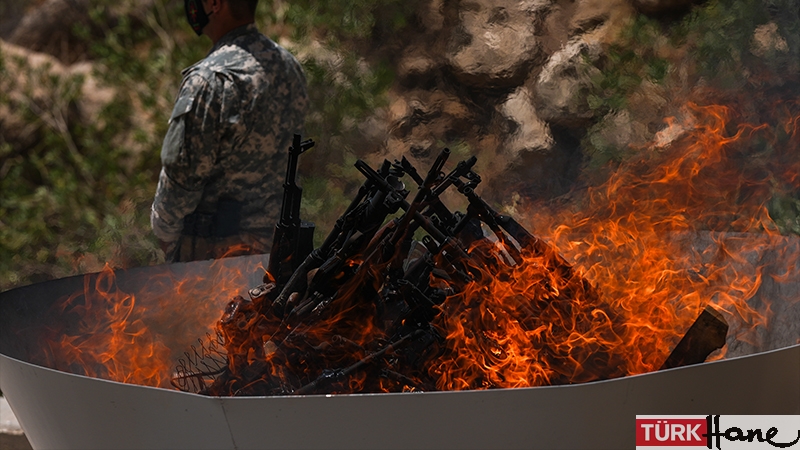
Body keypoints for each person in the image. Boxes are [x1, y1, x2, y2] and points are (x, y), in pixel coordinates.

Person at [151, 0, 308, 262]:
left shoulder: (210, 78)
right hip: (275, 253)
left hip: (213, 262)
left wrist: (165, 234)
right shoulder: (290, 68)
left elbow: (181, 175)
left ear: (214, 3)